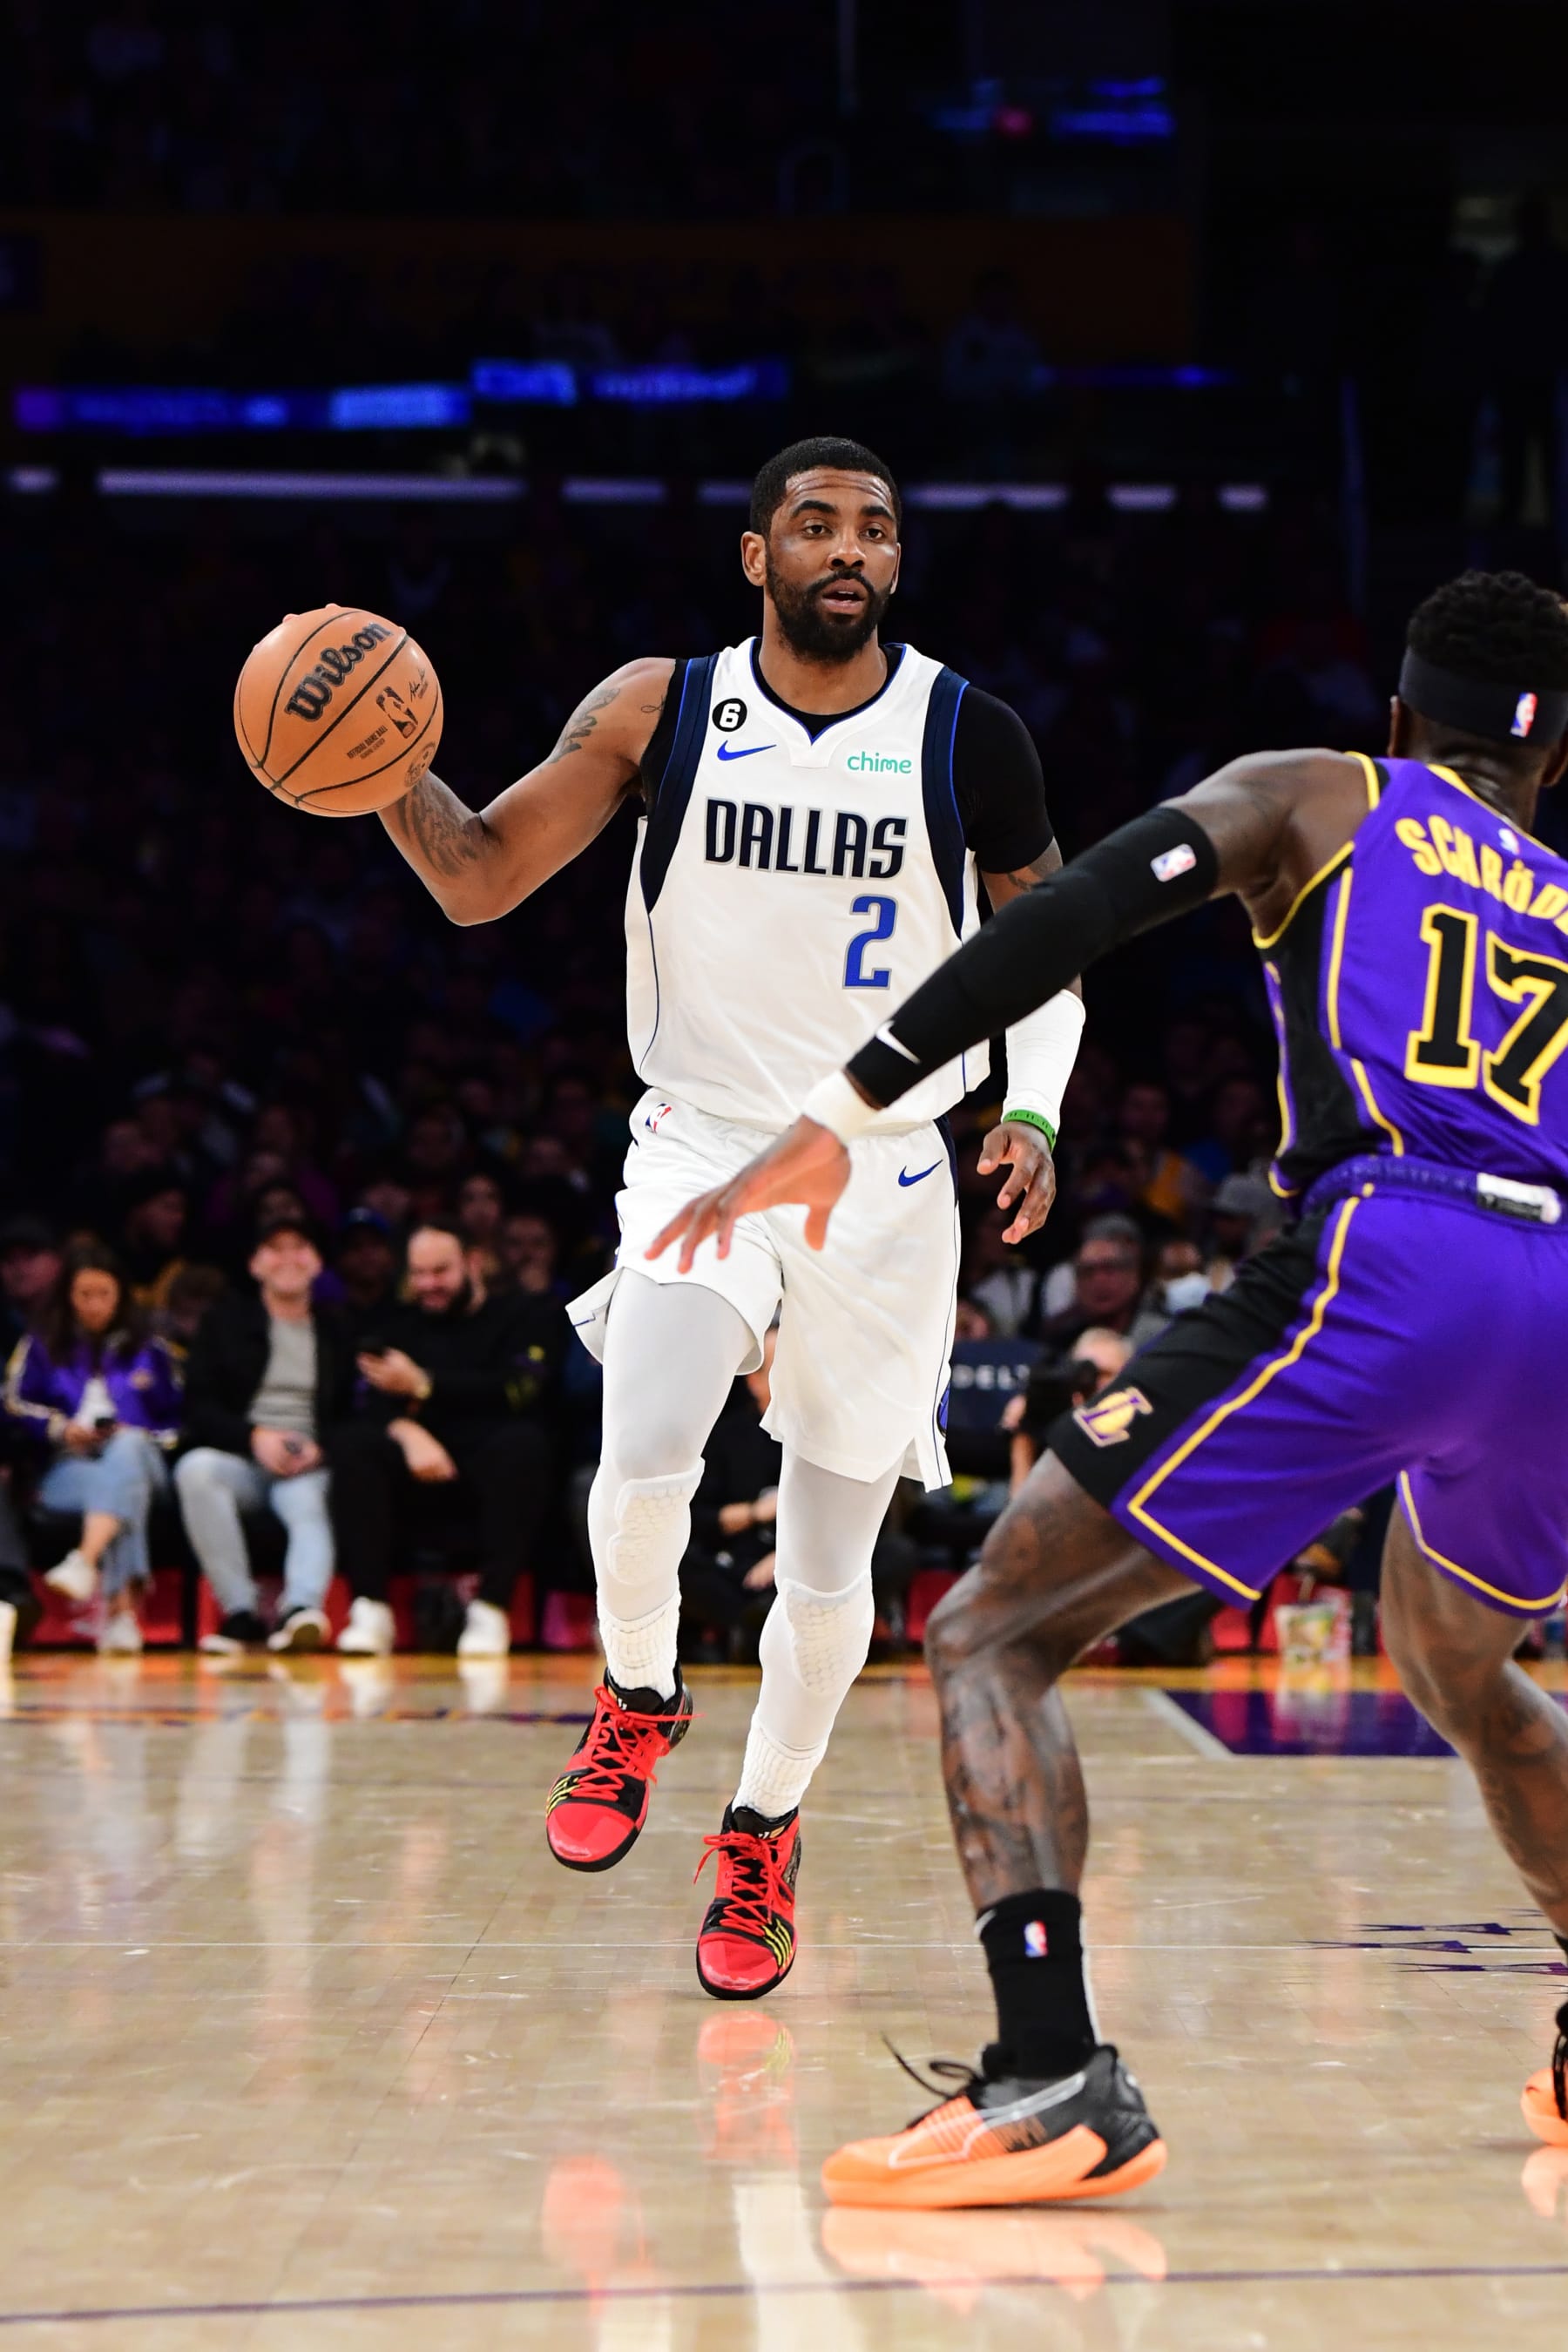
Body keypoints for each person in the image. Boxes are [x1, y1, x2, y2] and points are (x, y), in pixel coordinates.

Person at [652, 568, 1568, 2196]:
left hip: (1395, 1252)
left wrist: (850, 1104)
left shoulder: (1328, 791)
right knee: (1460, 1665)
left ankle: (1050, 2073)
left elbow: (1066, 913)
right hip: (1555, 1294)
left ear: (1400, 717)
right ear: (1554, 754)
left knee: (990, 1629)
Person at [358, 435, 1085, 1997]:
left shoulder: (969, 733)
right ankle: (636, 1696)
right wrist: (376, 776)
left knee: (832, 1572)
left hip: (886, 1174)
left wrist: (1029, 1108)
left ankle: (761, 1836)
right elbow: (481, 876)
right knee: (642, 1448)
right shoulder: (657, 708)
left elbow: (1051, 946)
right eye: (815, 524)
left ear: (896, 562)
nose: (849, 549)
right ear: (753, 554)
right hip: (704, 1144)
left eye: (876, 530)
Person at [330, 1219, 554, 1659]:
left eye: (441, 1272)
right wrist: (407, 1430)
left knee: (525, 1444)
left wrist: (424, 1385)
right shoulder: (394, 1323)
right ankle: (370, 1610)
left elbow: (520, 1391)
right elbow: (359, 1401)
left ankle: (491, 1609)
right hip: (417, 1468)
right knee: (355, 1444)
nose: (429, 1285)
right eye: (419, 1274)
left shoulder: (523, 1315)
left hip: (488, 1463)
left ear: (473, 1263)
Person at [175, 1212, 353, 1655]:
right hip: (246, 1456)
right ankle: (240, 1613)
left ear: (318, 1263)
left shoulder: (339, 1329)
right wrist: (254, 1437)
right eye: (275, 1249)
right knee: (196, 1470)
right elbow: (199, 1406)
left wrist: (322, 1448)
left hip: (310, 1461)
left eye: (300, 1248)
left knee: (310, 1502)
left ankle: (300, 1611)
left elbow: (357, 1409)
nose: (288, 1259)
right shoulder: (225, 1323)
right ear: (255, 1264)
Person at [4, 1243, 181, 1653]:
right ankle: (123, 1617)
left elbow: (178, 1422)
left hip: (145, 1456)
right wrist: (59, 1429)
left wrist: (133, 1433)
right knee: (122, 1489)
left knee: (128, 1450)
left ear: (121, 1295)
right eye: (85, 1295)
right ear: (68, 1295)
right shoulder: (42, 1345)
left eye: (104, 1294)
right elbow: (13, 1404)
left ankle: (85, 1559)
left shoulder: (151, 1350)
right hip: (70, 1466)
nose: (95, 1304)